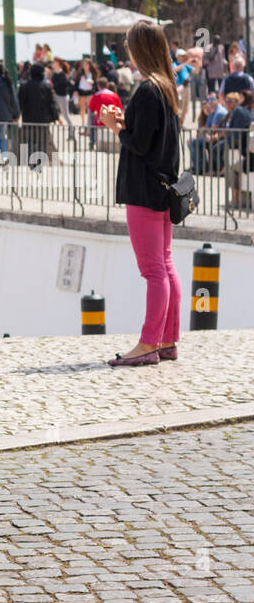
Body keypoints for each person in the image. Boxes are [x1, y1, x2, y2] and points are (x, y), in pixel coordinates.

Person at [98, 20, 182, 367]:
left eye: (129, 45)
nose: (127, 51)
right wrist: (124, 122)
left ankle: (148, 344)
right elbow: (151, 136)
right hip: (163, 189)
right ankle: (167, 339)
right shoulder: (166, 86)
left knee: (153, 270)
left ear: (139, 49)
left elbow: (139, 144)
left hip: (144, 191)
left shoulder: (147, 90)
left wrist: (115, 126)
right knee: (165, 264)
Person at [17, 62, 58, 168]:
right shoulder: (46, 86)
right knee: (42, 141)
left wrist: (18, 114)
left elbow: (20, 102)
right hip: (43, 119)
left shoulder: (24, 86)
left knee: (30, 141)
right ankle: (40, 162)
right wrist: (55, 117)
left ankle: (32, 162)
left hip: (28, 119)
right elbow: (51, 103)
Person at [188, 92, 228, 174]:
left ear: (218, 100)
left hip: (220, 137)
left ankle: (200, 168)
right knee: (192, 141)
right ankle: (199, 166)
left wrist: (203, 134)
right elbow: (206, 128)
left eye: (212, 99)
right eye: (208, 100)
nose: (210, 102)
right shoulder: (213, 111)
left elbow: (212, 130)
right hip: (213, 136)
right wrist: (201, 135)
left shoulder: (219, 112)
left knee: (194, 142)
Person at [88, 78, 122, 150]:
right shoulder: (114, 95)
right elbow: (121, 110)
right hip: (113, 123)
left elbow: (90, 111)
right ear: (107, 85)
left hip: (99, 122)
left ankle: (92, 142)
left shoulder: (96, 95)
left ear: (98, 86)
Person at [50, 58, 75, 140]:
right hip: (56, 95)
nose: (52, 64)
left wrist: (54, 88)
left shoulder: (62, 73)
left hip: (62, 96)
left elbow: (61, 85)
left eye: (53, 62)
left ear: (57, 63)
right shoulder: (54, 73)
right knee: (52, 111)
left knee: (66, 115)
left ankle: (71, 134)